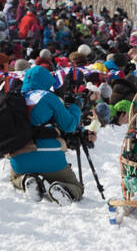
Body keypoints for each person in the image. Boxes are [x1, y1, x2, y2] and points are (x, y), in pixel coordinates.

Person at [8, 65, 84, 203]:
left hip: (20, 157)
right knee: (77, 187)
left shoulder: (14, 99)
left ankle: (25, 179)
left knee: (14, 178)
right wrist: (76, 107)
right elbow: (69, 125)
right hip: (51, 157)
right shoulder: (48, 97)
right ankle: (63, 187)